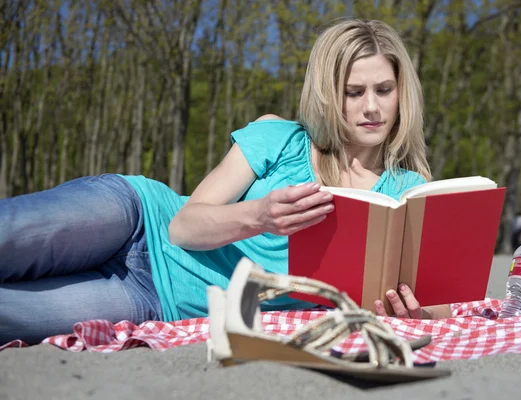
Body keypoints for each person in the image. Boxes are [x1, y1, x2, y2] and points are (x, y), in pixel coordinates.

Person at [0, 19, 451, 346]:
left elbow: (441, 305)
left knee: (12, 314)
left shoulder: (405, 191)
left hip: (159, 301)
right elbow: (183, 227)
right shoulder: (280, 137)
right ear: (329, 95)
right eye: (354, 92)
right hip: (138, 217)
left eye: (384, 90)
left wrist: (414, 310)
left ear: (401, 92)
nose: (371, 107)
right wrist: (259, 216)